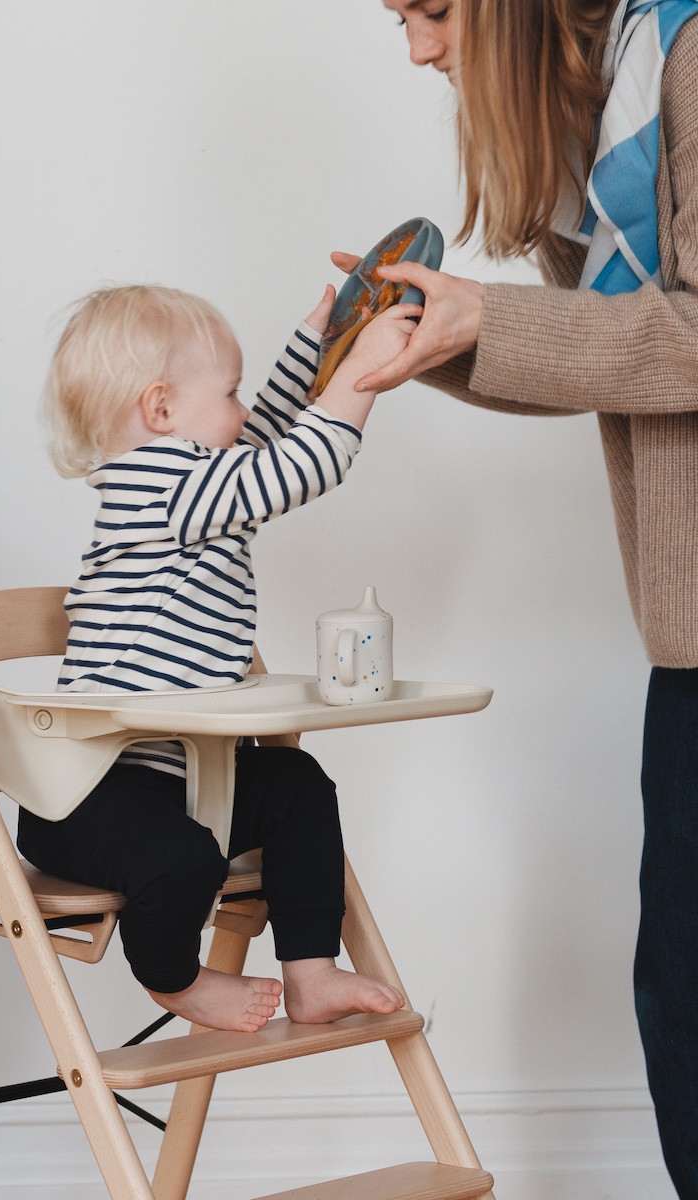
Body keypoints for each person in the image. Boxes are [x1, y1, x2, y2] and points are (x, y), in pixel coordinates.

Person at [357, 2, 698, 1194]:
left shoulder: (692, 62)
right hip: (691, 627)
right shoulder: (615, 111)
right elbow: (616, 349)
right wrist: (445, 339)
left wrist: (490, 318)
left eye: (433, 11)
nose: (418, 50)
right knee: (682, 996)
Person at [19, 282, 416, 1034]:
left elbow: (258, 440)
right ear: (162, 410)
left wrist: (316, 348)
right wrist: (360, 371)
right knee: (183, 856)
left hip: (184, 775)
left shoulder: (189, 480)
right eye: (229, 391)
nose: (241, 408)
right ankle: (176, 978)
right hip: (86, 796)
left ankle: (309, 969)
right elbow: (297, 465)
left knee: (298, 785)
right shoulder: (164, 488)